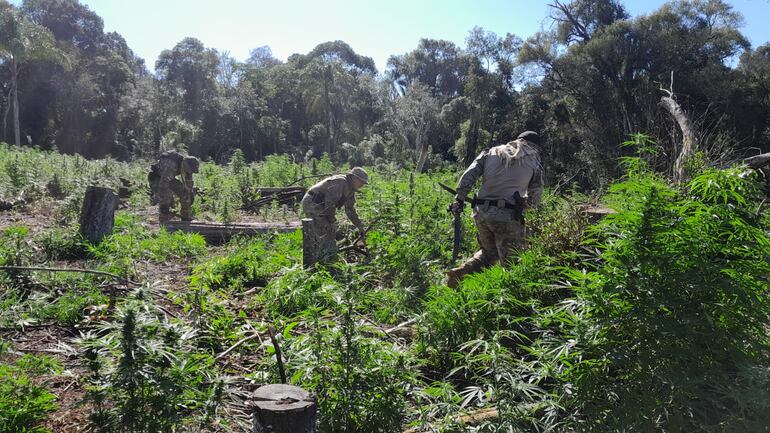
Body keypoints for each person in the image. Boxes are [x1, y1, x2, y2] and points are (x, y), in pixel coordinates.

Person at [446, 131, 544, 288]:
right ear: (536, 146)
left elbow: (469, 175)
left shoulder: (492, 152)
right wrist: (523, 205)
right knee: (512, 263)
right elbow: (535, 199)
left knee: (489, 253)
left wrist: (459, 199)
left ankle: (461, 272)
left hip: (481, 213)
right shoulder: (534, 161)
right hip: (507, 217)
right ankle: (507, 299)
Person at [301, 167, 368, 264]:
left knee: (328, 231)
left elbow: (350, 210)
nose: (362, 185)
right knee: (325, 230)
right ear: (353, 178)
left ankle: (326, 258)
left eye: (363, 183)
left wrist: (360, 225)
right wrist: (332, 220)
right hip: (313, 203)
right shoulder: (340, 182)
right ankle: (325, 260)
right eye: (361, 181)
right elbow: (330, 203)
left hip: (322, 206)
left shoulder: (350, 189)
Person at [148, 150, 199, 222]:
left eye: (191, 171)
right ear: (185, 164)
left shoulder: (187, 169)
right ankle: (164, 217)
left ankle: (185, 216)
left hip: (168, 178)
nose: (190, 172)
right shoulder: (171, 166)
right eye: (189, 170)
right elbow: (163, 185)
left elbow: (188, 187)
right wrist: (165, 207)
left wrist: (189, 195)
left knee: (185, 193)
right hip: (156, 178)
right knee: (167, 195)